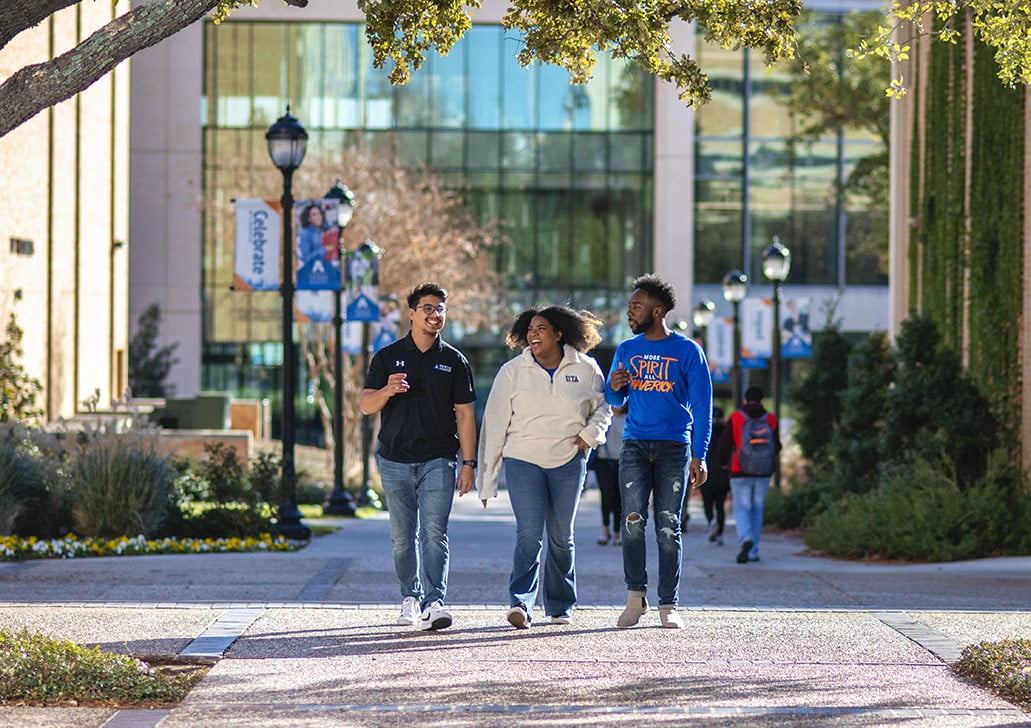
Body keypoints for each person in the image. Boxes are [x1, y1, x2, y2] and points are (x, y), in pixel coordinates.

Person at [477, 306, 611, 629]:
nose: (533, 335)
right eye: (530, 330)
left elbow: (604, 407)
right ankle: (521, 603)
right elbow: (495, 425)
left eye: (541, 329)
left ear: (559, 333)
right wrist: (488, 478)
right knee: (528, 534)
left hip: (568, 460)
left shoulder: (586, 368)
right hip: (523, 459)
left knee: (561, 536)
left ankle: (561, 605)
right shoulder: (513, 371)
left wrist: (590, 435)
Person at [360, 283, 477, 631]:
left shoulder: (454, 361)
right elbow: (366, 405)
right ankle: (410, 597)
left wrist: (468, 464)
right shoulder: (387, 357)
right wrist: (387, 390)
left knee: (434, 533)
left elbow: (466, 415)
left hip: (438, 460)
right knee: (401, 536)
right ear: (411, 313)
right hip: (394, 460)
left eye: (440, 308)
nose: (434, 314)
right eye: (427, 308)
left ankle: (434, 601)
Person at [606, 274, 713, 630]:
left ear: (657, 310)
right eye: (630, 306)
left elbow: (702, 406)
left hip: (674, 447)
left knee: (669, 526)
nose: (630, 312)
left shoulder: (687, 350)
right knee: (632, 522)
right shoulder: (626, 349)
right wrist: (615, 387)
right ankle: (635, 598)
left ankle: (669, 604)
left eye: (636, 306)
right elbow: (614, 400)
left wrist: (701, 454)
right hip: (635, 444)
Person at [715, 386, 781, 564]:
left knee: (742, 508)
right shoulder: (771, 419)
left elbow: (725, 443)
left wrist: (722, 463)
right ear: (762, 400)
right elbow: (777, 446)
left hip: (739, 469)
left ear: (745, 399)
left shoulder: (737, 417)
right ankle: (754, 552)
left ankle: (745, 539)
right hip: (763, 471)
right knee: (757, 510)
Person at [594, 405, 626, 546]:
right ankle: (605, 529)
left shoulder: (629, 419)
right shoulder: (605, 415)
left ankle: (617, 532)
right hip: (604, 462)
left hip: (622, 462)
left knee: (619, 497)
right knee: (606, 496)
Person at [700, 406, 730, 545]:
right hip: (723, 472)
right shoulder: (726, 431)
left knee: (707, 502)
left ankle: (711, 521)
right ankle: (720, 534)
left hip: (706, 471)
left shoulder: (704, 430)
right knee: (720, 505)